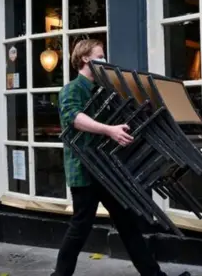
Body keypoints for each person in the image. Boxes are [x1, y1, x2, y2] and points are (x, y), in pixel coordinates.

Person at [52, 40, 177, 276]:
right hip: (85, 170)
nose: (105, 60)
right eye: (100, 55)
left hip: (109, 169)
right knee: (79, 229)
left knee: (128, 226)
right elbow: (74, 118)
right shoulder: (72, 89)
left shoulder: (104, 90)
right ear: (86, 59)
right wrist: (109, 130)